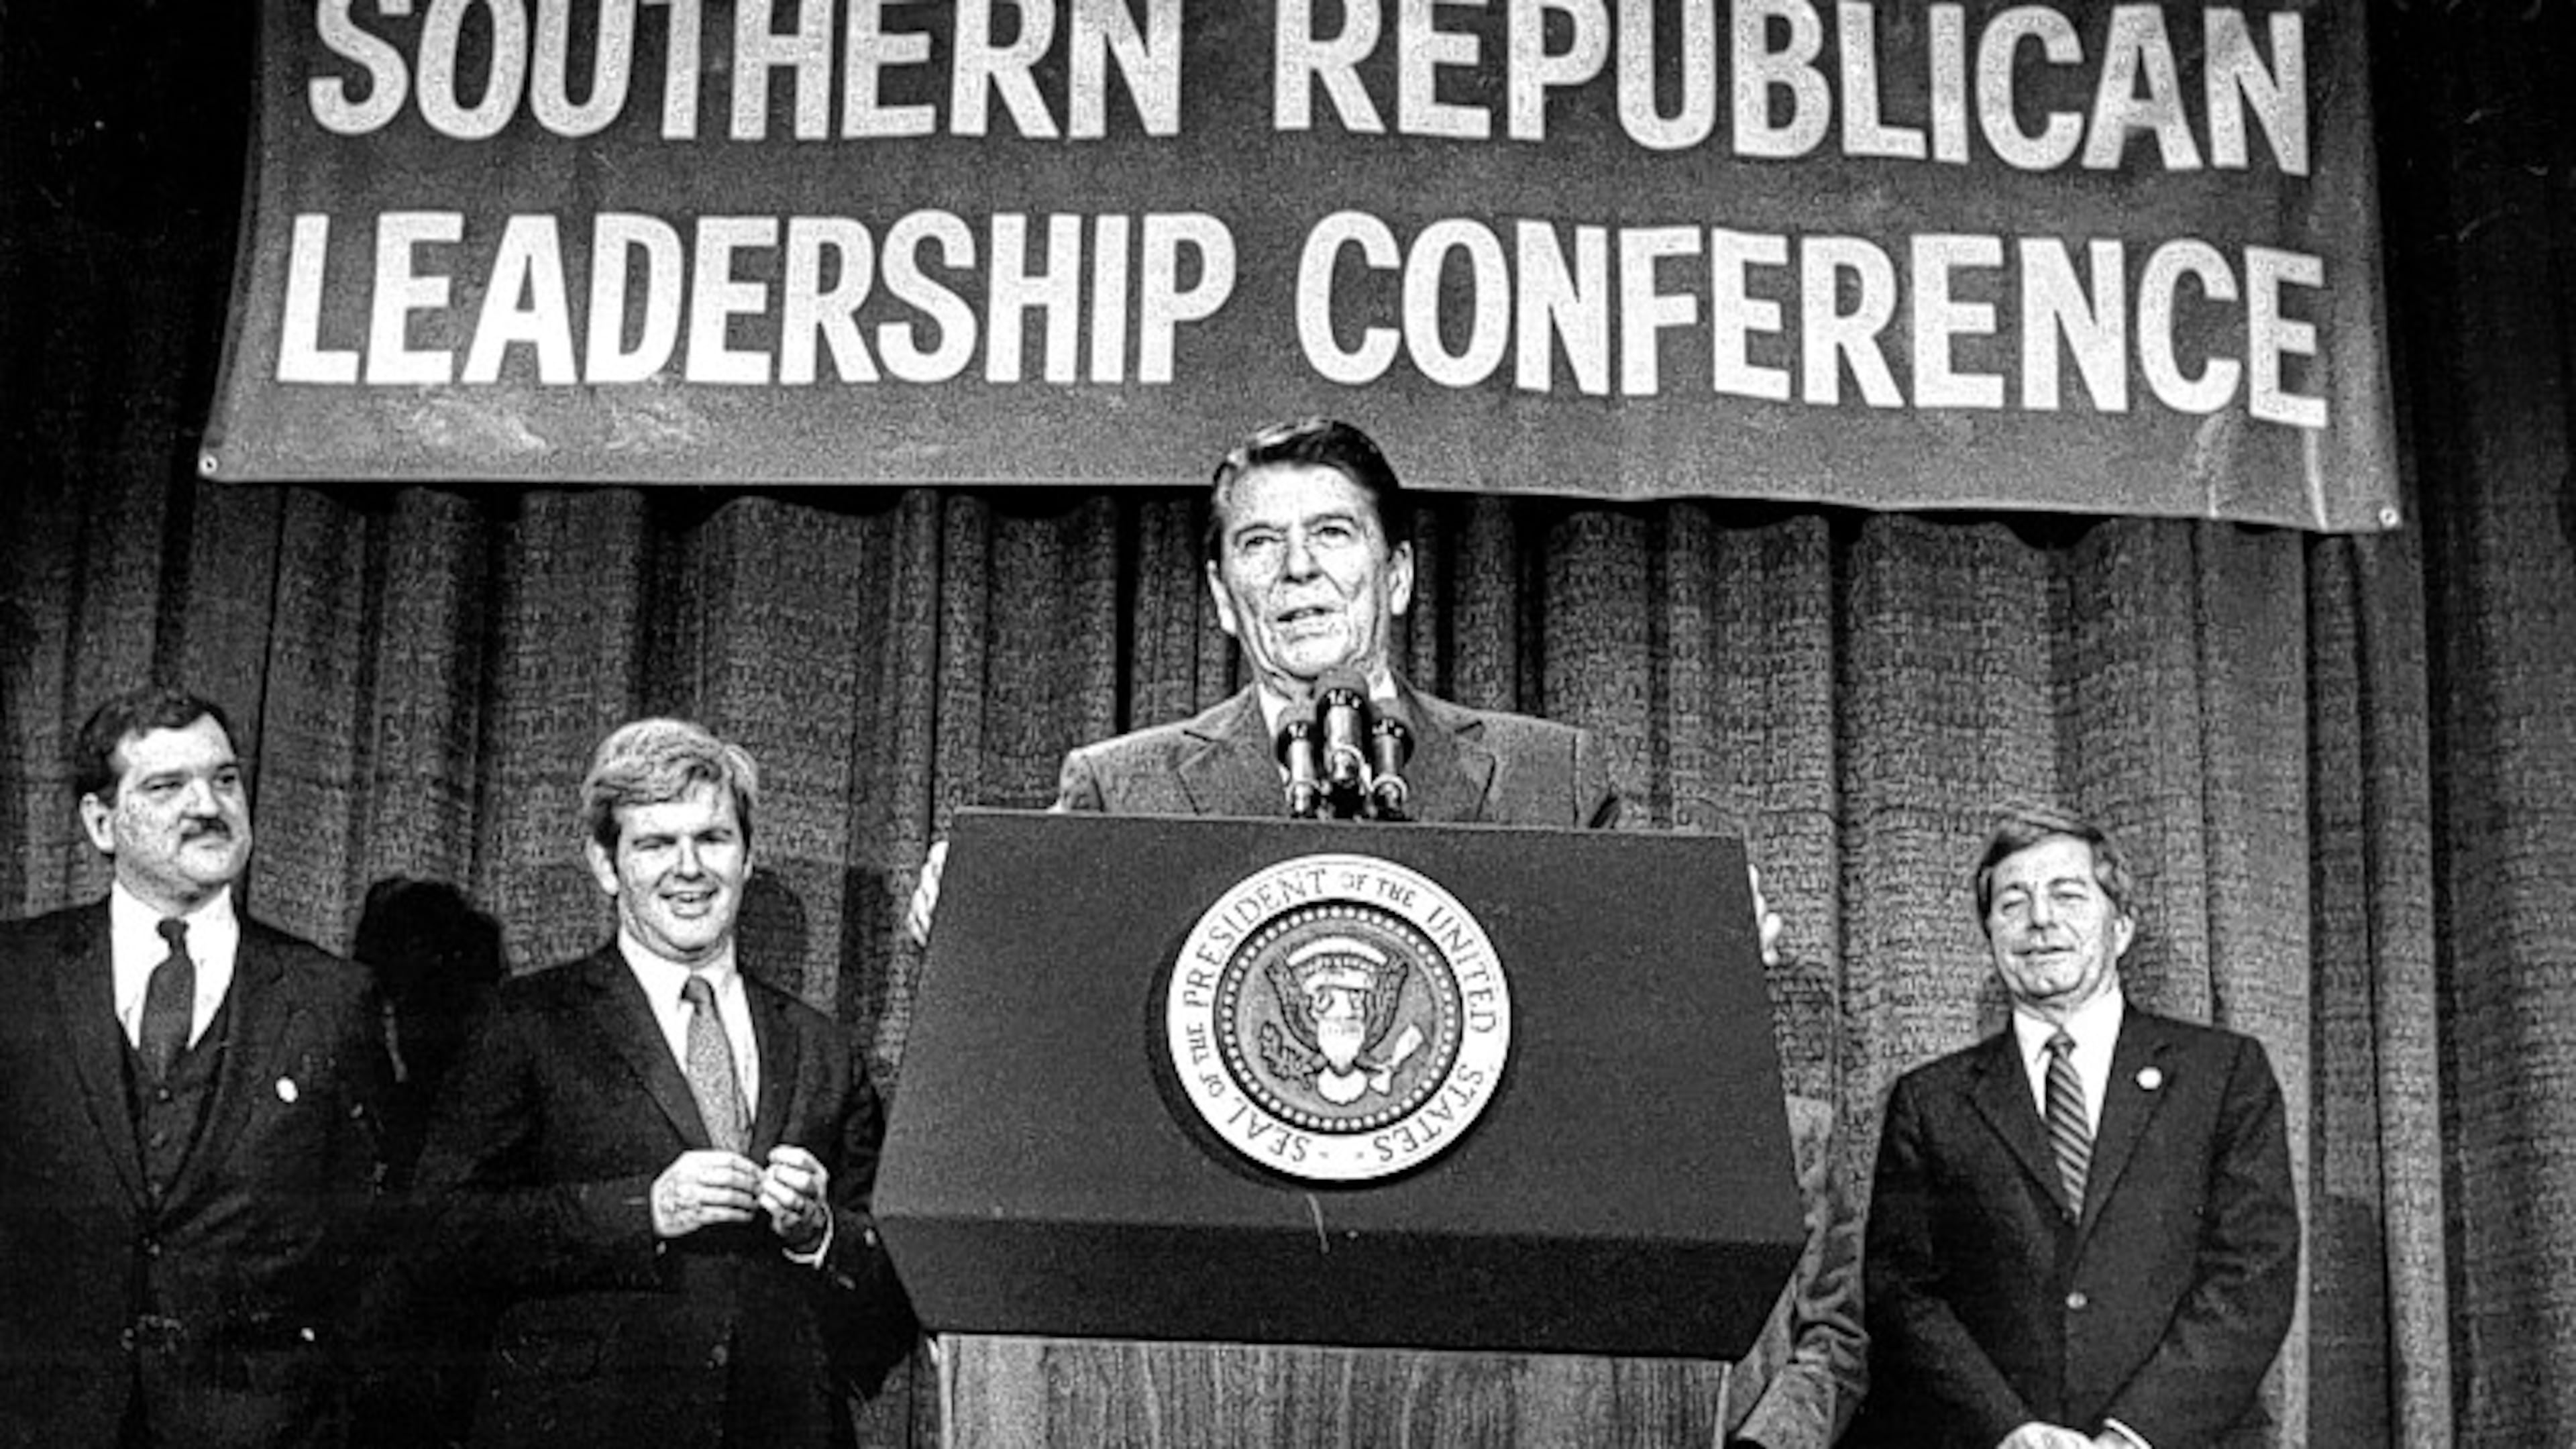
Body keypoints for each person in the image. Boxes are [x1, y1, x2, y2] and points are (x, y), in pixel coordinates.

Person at [908, 417, 1856, 1444]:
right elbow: (1050, 1056)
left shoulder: (1547, 778)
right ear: (1222, 596)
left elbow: (1618, 1058)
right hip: (1203, 1372)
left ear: (1396, 575)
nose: (1298, 568)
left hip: (1495, 1374)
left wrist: (1697, 953)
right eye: (1260, 544)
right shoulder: (1119, 789)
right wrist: (980, 926)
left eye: (1332, 534)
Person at [394, 719, 913, 1448]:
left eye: (713, 839)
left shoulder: (823, 1049)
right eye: (656, 844)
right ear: (606, 865)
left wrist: (818, 1235)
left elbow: (895, 1287)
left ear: (748, 856)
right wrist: (645, 1209)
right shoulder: (524, 1023)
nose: (689, 868)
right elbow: (441, 1234)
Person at [0, 685, 389, 1448]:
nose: (207, 806)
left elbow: (373, 1239)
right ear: (101, 822)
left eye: (225, 779)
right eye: (166, 786)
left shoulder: (332, 998)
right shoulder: (16, 976)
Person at [1858, 802, 2299, 1449]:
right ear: (1989, 934)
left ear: (2122, 927)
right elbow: (1901, 1296)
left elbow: (2252, 1275)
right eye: (2013, 902)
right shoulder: (1930, 1101)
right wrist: (2010, 1430)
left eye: (2067, 895)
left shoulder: (2223, 1074)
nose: (2040, 919)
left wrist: (2132, 1435)